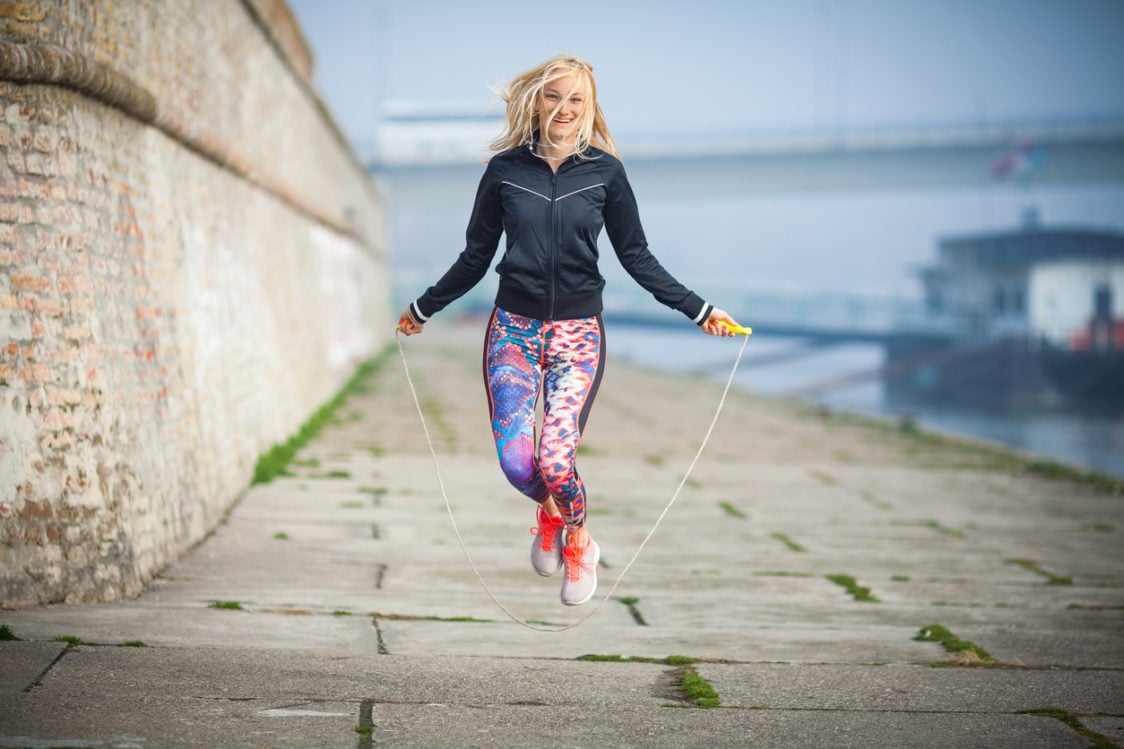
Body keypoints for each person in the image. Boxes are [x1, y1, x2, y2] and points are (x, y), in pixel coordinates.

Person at [397, 55, 743, 606]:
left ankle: (579, 539)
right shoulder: (505, 172)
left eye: (576, 99)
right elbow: (475, 256)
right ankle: (550, 514)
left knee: (557, 460)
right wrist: (423, 306)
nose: (564, 108)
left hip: (578, 335)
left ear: (590, 106)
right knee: (517, 463)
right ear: (536, 100)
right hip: (513, 330)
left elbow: (637, 256)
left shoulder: (606, 173)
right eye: (553, 95)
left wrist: (701, 311)